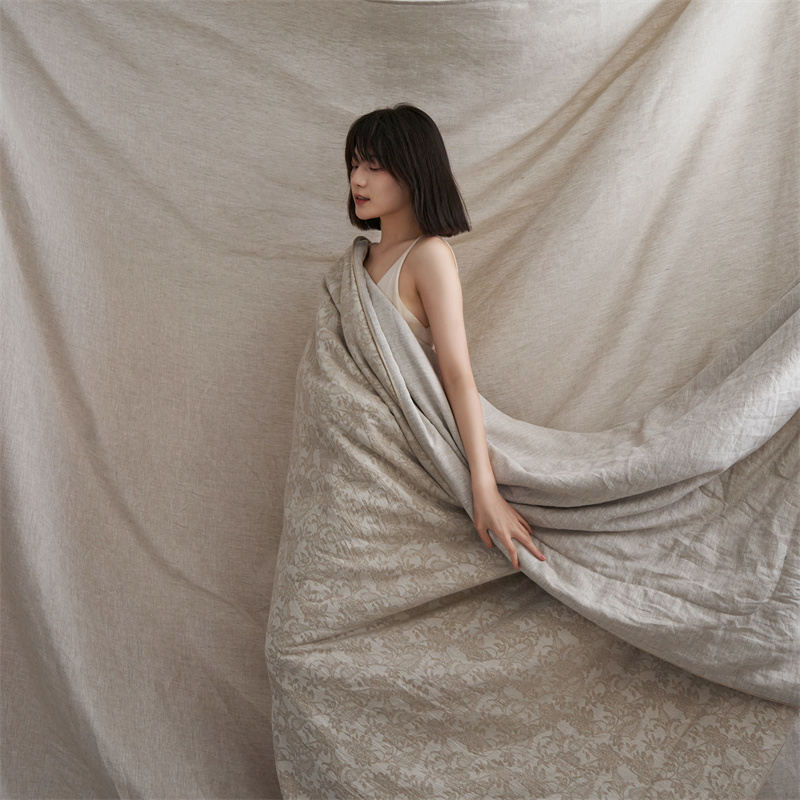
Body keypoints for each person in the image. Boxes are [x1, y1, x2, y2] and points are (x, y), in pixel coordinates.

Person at [346, 103, 546, 568]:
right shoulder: (354, 266)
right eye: (354, 165)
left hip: (407, 459)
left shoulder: (428, 256)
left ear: (414, 171)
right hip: (354, 462)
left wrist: (483, 485)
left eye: (373, 166)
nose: (357, 180)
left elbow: (456, 374)